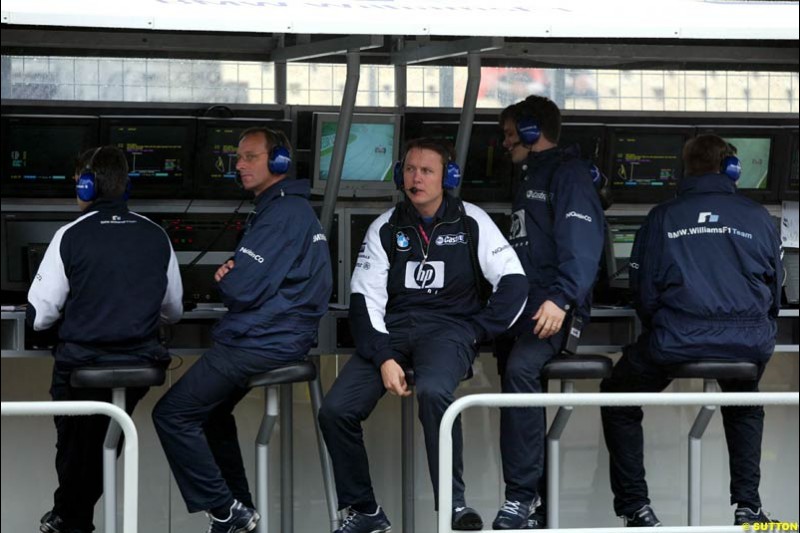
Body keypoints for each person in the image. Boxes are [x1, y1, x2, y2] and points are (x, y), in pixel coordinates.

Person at [319, 138, 528, 533]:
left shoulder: (471, 220)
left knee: (435, 393)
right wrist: (383, 357)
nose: (416, 178)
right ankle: (365, 511)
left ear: (446, 177)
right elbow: (363, 300)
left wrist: (477, 331)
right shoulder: (385, 227)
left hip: (450, 331)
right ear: (400, 175)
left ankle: (453, 505)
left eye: (427, 171)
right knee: (335, 410)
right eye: (410, 170)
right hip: (392, 333)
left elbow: (514, 282)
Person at [152, 127, 332, 533]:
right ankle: (238, 511)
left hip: (263, 341)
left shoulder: (282, 214)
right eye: (239, 157)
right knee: (212, 414)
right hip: (274, 336)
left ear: (280, 162)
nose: (239, 165)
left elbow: (241, 285)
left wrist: (231, 276)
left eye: (250, 157)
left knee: (172, 414)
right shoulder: (285, 209)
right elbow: (249, 280)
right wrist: (237, 274)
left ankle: (225, 510)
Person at [600, 134, 783, 527]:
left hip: (676, 339)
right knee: (744, 402)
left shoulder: (663, 217)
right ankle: (748, 507)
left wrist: (665, 325)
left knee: (617, 397)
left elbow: (642, 291)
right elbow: (775, 293)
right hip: (746, 343)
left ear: (685, 169)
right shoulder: (758, 218)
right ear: (731, 169)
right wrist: (758, 327)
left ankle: (637, 508)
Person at [29, 146, 183, 533]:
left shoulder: (69, 235)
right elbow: (174, 311)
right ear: (125, 185)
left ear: (85, 185)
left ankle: (69, 518)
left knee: (78, 447)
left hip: (82, 366)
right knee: (99, 444)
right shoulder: (156, 235)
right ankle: (69, 516)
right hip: (140, 367)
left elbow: (41, 315)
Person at [493, 95, 606, 529]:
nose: (505, 144)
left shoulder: (568, 173)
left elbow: (581, 246)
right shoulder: (530, 175)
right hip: (522, 308)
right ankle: (533, 500)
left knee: (522, 370)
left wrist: (561, 300)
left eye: (508, 135)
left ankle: (521, 499)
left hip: (554, 308)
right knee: (512, 374)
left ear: (528, 131)